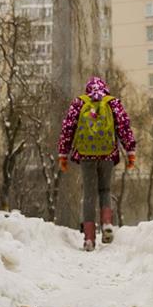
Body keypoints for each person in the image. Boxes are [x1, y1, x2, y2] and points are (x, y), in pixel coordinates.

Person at [57, 76, 137, 251]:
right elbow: (124, 127)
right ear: (105, 88)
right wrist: (130, 151)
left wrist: (63, 153)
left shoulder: (79, 103)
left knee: (89, 194)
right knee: (105, 190)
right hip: (107, 153)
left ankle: (89, 239)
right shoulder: (112, 102)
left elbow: (68, 128)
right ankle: (107, 223)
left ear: (87, 89)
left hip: (86, 155)